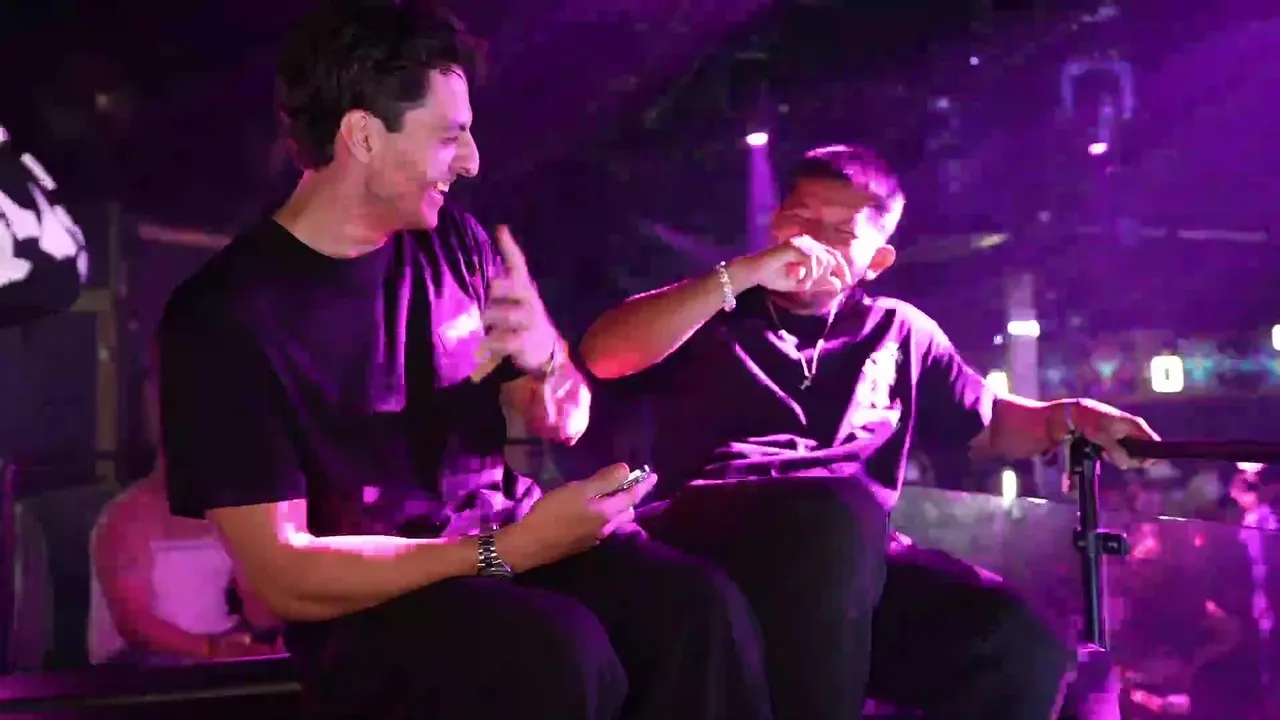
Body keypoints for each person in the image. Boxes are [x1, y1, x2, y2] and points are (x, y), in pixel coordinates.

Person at [158, 3, 769, 719]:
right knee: (550, 655)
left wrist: (547, 365)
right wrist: (502, 550)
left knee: (696, 611)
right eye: (451, 135)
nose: (473, 160)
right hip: (370, 600)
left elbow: (563, 416)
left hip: (504, 538)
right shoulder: (222, 317)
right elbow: (284, 576)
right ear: (363, 136)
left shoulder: (458, 244)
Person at [579, 144, 1162, 720]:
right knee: (834, 511)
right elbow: (604, 355)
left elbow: (985, 423)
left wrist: (1071, 416)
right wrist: (740, 275)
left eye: (840, 231)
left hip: (848, 557)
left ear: (876, 260)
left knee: (1019, 642)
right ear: (775, 223)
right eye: (800, 218)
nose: (810, 240)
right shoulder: (713, 309)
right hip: (710, 535)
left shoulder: (900, 331)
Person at [88, 368, 281, 664]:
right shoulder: (125, 517)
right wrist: (212, 651)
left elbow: (258, 604)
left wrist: (278, 637)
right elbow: (133, 622)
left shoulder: (232, 510)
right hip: (138, 665)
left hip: (217, 646)